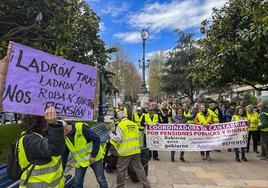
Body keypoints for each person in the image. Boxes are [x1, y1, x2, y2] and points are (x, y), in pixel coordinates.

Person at [18, 107, 65, 187]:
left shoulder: (38, 136)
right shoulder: (29, 140)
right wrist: (53, 125)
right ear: (40, 122)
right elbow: (55, 149)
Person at [110, 111, 150, 188]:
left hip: (125, 152)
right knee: (139, 168)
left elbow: (118, 139)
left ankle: (120, 186)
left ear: (119, 118)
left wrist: (111, 134)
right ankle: (146, 185)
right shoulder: (134, 124)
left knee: (121, 170)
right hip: (136, 150)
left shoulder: (120, 125)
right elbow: (137, 136)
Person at [63, 121, 108, 188]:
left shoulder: (81, 128)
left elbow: (96, 139)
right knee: (77, 182)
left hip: (94, 158)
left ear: (65, 128)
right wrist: (62, 169)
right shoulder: (65, 137)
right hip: (81, 162)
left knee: (101, 179)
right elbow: (65, 154)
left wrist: (93, 155)